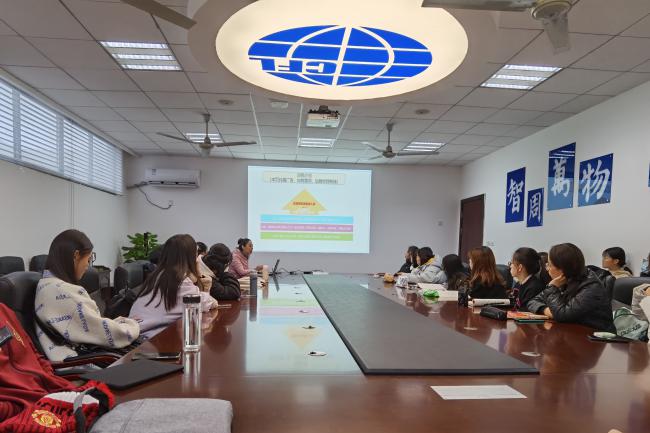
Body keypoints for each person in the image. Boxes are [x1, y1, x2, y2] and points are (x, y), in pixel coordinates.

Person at [34, 229, 140, 361]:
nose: (88, 266)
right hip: (80, 363)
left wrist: (119, 321)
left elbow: (93, 325)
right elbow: (111, 335)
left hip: (78, 356)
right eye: (89, 259)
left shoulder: (47, 284)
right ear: (76, 255)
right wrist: (133, 325)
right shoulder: (63, 293)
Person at [129, 234, 218, 339]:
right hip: (146, 340)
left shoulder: (159, 275)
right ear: (190, 257)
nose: (198, 259)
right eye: (196, 254)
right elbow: (209, 303)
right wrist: (199, 276)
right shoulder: (180, 282)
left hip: (137, 335)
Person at [527, 243, 616, 332]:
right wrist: (548, 311)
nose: (547, 269)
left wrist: (552, 288)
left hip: (595, 336)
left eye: (549, 265)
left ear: (562, 269)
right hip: (572, 333)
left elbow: (562, 316)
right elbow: (533, 302)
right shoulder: (564, 280)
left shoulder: (591, 287)